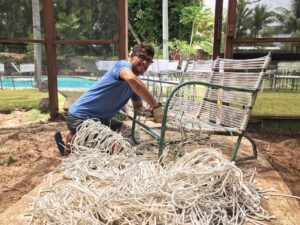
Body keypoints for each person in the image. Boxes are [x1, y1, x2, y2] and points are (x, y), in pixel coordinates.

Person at [55, 44, 162, 155]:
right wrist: (156, 106)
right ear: (131, 56)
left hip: (100, 120)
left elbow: (138, 108)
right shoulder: (123, 66)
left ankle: (73, 138)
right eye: (141, 57)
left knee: (128, 131)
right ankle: (72, 142)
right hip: (80, 118)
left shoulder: (135, 84)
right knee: (116, 145)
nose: (145, 62)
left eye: (149, 60)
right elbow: (132, 80)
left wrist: (152, 113)